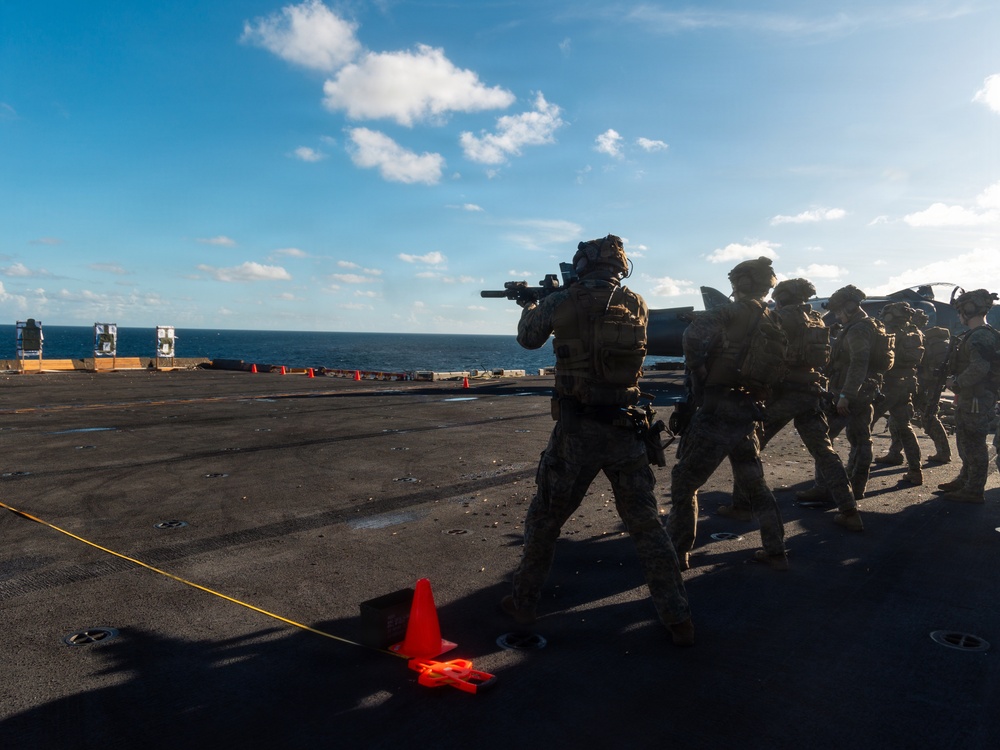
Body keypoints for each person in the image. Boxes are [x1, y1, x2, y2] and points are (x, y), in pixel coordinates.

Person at [501, 234, 694, 646]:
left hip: (577, 432)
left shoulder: (560, 302)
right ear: (620, 266)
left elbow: (529, 338)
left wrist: (532, 303)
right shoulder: (636, 303)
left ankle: (523, 601)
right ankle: (677, 615)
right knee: (646, 526)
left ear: (583, 264)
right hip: (626, 427)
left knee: (546, 519)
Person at [666, 257, 787, 570]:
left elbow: (692, 335)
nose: (733, 285)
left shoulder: (734, 310)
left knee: (684, 482)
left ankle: (676, 553)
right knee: (756, 486)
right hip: (746, 411)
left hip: (718, 411)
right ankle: (776, 550)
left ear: (744, 282)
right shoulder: (771, 316)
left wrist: (699, 369)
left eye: (736, 279)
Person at [720, 278, 863, 531]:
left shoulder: (780, 317)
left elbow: (760, 350)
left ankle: (742, 506)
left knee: (749, 446)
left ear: (783, 296)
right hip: (810, 392)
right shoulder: (815, 318)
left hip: (784, 393)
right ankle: (849, 509)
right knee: (824, 451)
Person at [796, 285, 891, 503]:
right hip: (866, 392)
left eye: (839, 311)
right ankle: (857, 488)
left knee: (823, 439)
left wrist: (845, 395)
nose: (837, 316)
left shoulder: (858, 329)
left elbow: (859, 362)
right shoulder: (871, 325)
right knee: (861, 439)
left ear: (849, 307)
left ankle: (824, 487)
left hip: (849, 393)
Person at [936, 289, 999, 504]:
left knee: (974, 443)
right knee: (965, 440)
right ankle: (966, 479)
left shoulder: (980, 335)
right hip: (971, 396)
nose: (958, 315)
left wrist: (957, 383)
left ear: (968, 310)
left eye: (960, 311)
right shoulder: (979, 334)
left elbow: (979, 368)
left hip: (977, 398)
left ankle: (974, 489)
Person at [874, 309, 952, 465]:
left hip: (918, 384)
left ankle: (896, 454)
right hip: (923, 383)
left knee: (901, 421)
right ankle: (943, 452)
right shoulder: (920, 335)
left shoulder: (908, 335)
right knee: (927, 417)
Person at [870, 302, 924, 485]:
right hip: (907, 385)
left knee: (864, 426)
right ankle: (915, 470)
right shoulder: (916, 333)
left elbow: (877, 358)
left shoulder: (888, 333)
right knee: (905, 427)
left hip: (888, 385)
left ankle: (855, 471)